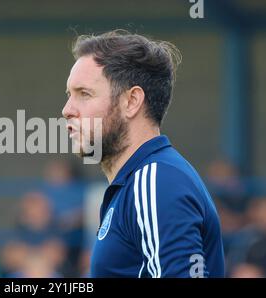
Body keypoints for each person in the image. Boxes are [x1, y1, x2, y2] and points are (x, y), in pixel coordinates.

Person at [62, 30, 225, 277]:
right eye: (69, 95)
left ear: (132, 101)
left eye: (84, 94)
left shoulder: (156, 181)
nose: (67, 110)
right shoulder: (140, 182)